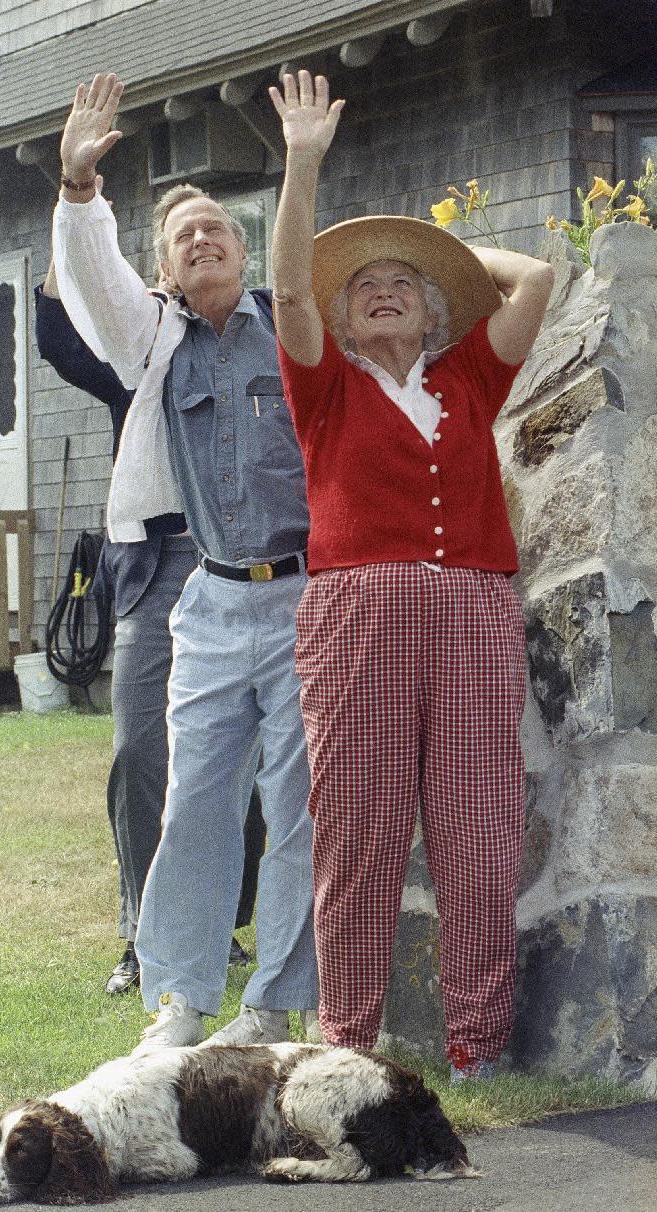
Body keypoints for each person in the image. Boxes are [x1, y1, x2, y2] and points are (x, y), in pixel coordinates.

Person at [268, 71, 554, 1081]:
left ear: (433, 312)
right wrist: (305, 162)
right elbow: (293, 285)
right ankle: (347, 1039)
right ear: (344, 321)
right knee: (361, 824)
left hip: (475, 609)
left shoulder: (472, 375)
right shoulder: (327, 386)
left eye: (404, 283)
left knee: (480, 826)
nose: (382, 289)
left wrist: (442, 255)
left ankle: (474, 1046)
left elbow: (538, 280)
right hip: (359, 615)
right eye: (367, 285)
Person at [51, 73, 318, 1049]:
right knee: (196, 800)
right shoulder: (151, 337)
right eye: (182, 236)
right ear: (161, 270)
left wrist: (300, 162)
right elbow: (91, 281)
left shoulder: (291, 336)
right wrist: (81, 189)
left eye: (218, 229)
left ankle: (272, 1008)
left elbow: (304, 280)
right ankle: (182, 1000)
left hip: (303, 601)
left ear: (244, 252)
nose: (202, 238)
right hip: (204, 599)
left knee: (294, 810)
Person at [34, 257, 266, 994]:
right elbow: (59, 343)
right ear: (160, 272)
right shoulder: (135, 353)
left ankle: (221, 923)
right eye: (178, 250)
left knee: (249, 759)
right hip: (158, 561)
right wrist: (68, 232)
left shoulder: (257, 342)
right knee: (140, 748)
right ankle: (142, 933)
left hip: (248, 560)